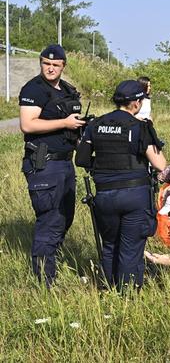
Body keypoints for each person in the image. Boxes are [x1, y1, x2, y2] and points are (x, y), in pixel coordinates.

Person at [75, 80, 167, 291]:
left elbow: (81, 160)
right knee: (130, 249)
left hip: (105, 195)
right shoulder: (140, 126)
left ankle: (108, 289)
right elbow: (160, 164)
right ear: (135, 103)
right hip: (134, 195)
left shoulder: (95, 124)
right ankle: (127, 296)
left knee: (110, 245)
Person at [19, 44, 86, 286]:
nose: (50, 68)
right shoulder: (34, 89)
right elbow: (28, 124)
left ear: (63, 66)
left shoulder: (67, 89)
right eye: (46, 64)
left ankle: (50, 262)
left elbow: (73, 124)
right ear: (40, 63)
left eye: (55, 65)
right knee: (50, 220)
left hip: (65, 163)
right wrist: (64, 123)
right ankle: (44, 282)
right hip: (45, 164)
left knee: (65, 218)